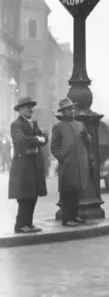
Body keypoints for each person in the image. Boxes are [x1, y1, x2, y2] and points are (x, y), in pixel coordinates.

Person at [8, 96, 48, 233]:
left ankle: (29, 224)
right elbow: (20, 140)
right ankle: (20, 225)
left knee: (33, 195)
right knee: (24, 197)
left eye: (31, 106)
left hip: (34, 165)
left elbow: (44, 138)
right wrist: (37, 138)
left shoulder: (33, 123)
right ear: (20, 110)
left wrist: (41, 138)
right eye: (27, 107)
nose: (30, 109)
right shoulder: (16, 124)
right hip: (23, 166)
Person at [50, 98, 91, 227]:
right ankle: (67, 218)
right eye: (68, 109)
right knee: (67, 192)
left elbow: (88, 141)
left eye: (72, 108)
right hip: (68, 165)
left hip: (80, 163)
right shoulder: (58, 127)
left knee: (77, 191)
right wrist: (64, 158)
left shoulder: (80, 124)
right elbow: (54, 147)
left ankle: (74, 216)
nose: (71, 111)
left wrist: (86, 137)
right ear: (63, 112)